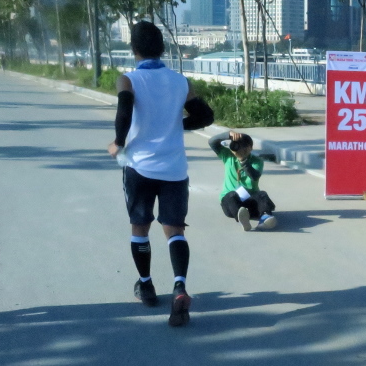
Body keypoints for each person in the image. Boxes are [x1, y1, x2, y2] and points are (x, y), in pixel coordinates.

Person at [107, 21, 214, 327]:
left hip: (139, 167)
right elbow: (206, 116)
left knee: (140, 228)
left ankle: (146, 285)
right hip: (174, 169)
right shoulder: (181, 82)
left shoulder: (128, 80)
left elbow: (125, 110)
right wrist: (176, 125)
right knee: (175, 230)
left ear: (134, 49)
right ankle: (179, 286)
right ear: (162, 48)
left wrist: (118, 142)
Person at [209, 131, 277, 231]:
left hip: (250, 201)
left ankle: (265, 217)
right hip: (231, 203)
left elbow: (254, 176)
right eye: (238, 146)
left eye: (245, 146)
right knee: (231, 195)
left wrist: (243, 160)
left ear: (251, 148)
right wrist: (228, 135)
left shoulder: (257, 161)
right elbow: (212, 142)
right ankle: (242, 218)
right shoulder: (227, 156)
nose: (242, 149)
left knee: (262, 194)